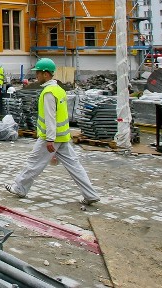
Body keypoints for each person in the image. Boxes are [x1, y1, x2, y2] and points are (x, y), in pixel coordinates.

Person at [5, 58, 100, 205]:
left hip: (51, 137)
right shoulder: (59, 90)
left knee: (34, 163)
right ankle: (90, 194)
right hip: (62, 136)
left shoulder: (48, 93)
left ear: (45, 74)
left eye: (38, 72)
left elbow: (50, 117)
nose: (36, 75)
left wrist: (50, 139)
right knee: (74, 166)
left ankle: (20, 187)